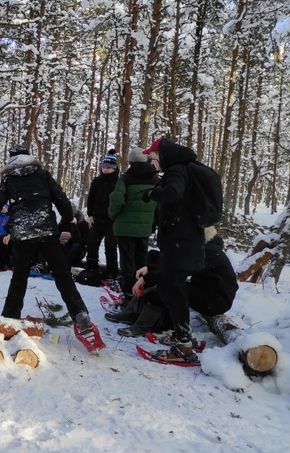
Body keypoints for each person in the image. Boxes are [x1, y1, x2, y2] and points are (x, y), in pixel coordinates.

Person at [0, 145, 101, 345]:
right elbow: (61, 198)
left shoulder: (9, 180)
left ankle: (10, 319)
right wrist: (68, 218)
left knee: (19, 278)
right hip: (47, 231)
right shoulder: (43, 175)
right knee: (63, 275)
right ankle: (80, 314)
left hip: (22, 234)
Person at [137, 137, 206, 364]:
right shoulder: (182, 169)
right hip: (183, 242)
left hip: (180, 243)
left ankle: (183, 347)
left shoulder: (176, 170)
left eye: (152, 157)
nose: (150, 161)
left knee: (171, 290)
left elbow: (174, 193)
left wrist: (151, 194)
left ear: (161, 155)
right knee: (171, 289)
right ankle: (182, 336)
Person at [111, 227, 238, 338]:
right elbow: (174, 259)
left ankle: (143, 326)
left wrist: (147, 277)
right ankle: (132, 314)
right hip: (204, 291)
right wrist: (149, 268)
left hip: (216, 301)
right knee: (157, 263)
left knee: (169, 287)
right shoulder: (202, 247)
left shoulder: (209, 252)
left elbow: (177, 269)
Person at [107, 147, 158, 304]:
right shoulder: (155, 179)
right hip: (144, 229)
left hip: (125, 228)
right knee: (141, 261)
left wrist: (113, 215)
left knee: (127, 262)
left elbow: (117, 200)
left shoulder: (125, 178)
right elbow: (159, 204)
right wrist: (152, 223)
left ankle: (129, 296)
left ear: (130, 161)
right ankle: (140, 293)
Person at [86, 149, 120, 278]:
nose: (106, 169)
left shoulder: (119, 181)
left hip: (112, 220)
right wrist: (90, 214)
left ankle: (112, 272)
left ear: (114, 168)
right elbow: (91, 198)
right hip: (97, 219)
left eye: (109, 167)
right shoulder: (97, 181)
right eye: (104, 166)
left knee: (110, 247)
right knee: (92, 244)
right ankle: (91, 268)